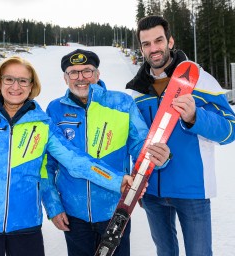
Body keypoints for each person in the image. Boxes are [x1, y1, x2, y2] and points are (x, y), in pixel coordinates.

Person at [0, 56, 135, 256]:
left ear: (31, 86)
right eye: (9, 79)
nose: (15, 86)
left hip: (26, 228)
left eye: (23, 80)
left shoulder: (43, 125)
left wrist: (116, 180)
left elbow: (75, 160)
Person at [126, 15, 235, 256]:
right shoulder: (135, 91)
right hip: (153, 193)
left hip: (192, 191)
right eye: (146, 44)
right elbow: (134, 140)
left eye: (158, 40)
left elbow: (231, 129)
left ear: (170, 41)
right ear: (141, 48)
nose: (153, 48)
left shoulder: (200, 79)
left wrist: (195, 118)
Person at [42, 49, 171, 256]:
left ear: (98, 74)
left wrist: (159, 157)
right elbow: (46, 164)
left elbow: (140, 145)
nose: (81, 78)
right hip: (73, 213)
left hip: (115, 210)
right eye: (73, 72)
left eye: (87, 71)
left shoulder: (121, 103)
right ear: (65, 78)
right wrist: (53, 205)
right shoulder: (55, 109)